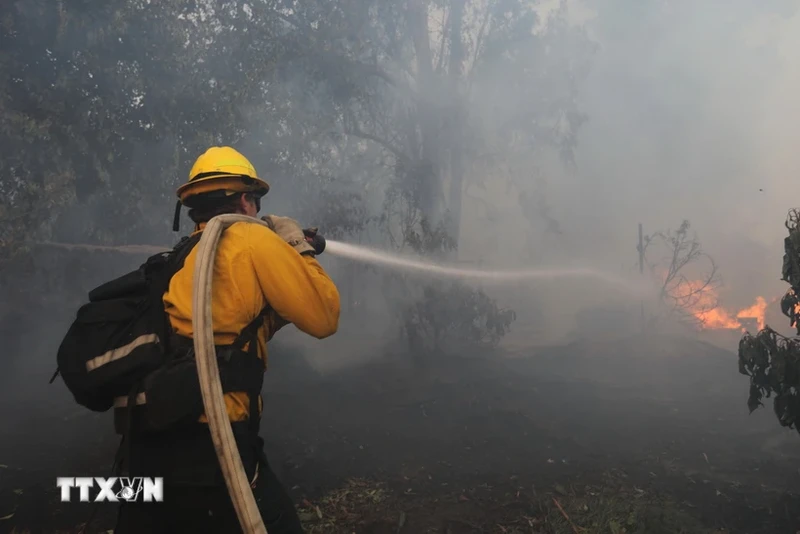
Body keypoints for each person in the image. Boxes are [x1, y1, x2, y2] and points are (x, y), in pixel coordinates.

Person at [113, 146, 340, 533]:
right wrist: (296, 245)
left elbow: (237, 329)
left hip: (148, 437)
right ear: (246, 200)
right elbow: (323, 317)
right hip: (214, 442)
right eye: (255, 200)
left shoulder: (183, 257)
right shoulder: (252, 242)